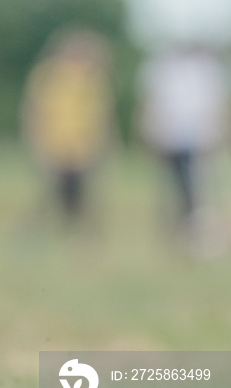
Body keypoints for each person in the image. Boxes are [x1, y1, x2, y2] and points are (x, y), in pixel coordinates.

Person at [138, 45, 229, 256]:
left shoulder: (208, 70)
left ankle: (199, 235)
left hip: (201, 141)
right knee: (172, 189)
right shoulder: (162, 69)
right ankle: (175, 233)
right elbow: (153, 104)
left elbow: (217, 106)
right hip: (169, 139)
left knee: (200, 190)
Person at [22, 29, 116, 225]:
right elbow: (36, 112)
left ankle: (76, 231)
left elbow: (101, 117)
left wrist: (100, 145)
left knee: (82, 195)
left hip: (83, 149)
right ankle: (39, 229)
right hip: (55, 146)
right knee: (53, 193)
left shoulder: (93, 80)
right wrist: (38, 143)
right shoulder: (48, 75)